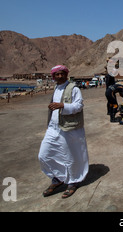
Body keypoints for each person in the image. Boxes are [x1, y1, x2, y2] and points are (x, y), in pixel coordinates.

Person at [38, 65, 89, 199]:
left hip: (69, 128)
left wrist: (62, 106)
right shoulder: (56, 88)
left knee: (70, 156)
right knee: (43, 155)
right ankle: (58, 177)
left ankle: (73, 181)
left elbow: (79, 105)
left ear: (66, 74)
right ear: (53, 76)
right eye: (57, 74)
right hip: (53, 127)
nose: (59, 76)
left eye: (62, 74)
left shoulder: (74, 89)